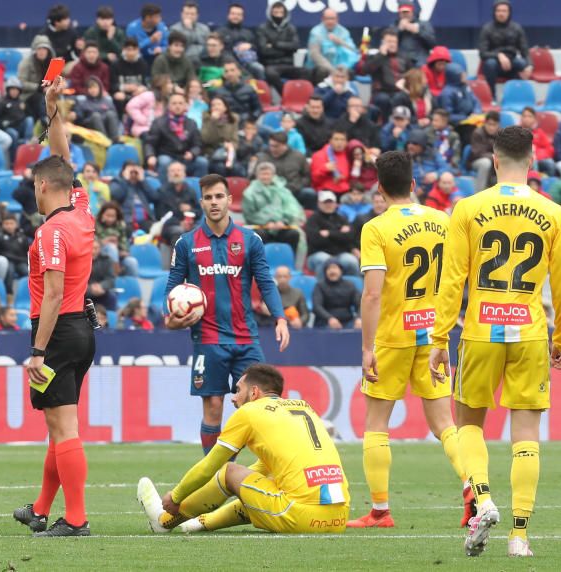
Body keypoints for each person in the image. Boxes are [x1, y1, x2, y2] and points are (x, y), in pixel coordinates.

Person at [429, 126, 561, 558]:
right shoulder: (554, 213)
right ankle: (520, 537)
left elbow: (452, 278)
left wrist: (439, 337)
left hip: (480, 329)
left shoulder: (468, 208)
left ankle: (484, 498)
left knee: (470, 424)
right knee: (526, 433)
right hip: (530, 330)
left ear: (494, 160)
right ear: (532, 161)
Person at [350, 150, 466, 529]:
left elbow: (372, 294)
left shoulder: (376, 228)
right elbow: (454, 279)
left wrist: (367, 349)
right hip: (433, 334)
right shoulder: (442, 220)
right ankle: (474, 489)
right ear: (415, 185)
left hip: (393, 337)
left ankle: (380, 511)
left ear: (380, 189)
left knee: (376, 423)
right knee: (445, 424)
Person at [12, 76, 96, 538]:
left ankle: (77, 519)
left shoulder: (50, 233)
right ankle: (42, 508)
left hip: (59, 330)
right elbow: (64, 158)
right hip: (82, 327)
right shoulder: (82, 211)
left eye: (34, 184)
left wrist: (38, 351)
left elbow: (53, 291)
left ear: (42, 186)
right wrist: (52, 107)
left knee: (64, 427)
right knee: (57, 423)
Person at [136, 364, 348, 535]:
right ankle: (199, 523)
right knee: (262, 487)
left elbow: (211, 464)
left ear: (254, 392)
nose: (234, 397)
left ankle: (163, 521)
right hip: (338, 517)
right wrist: (239, 484)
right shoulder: (304, 407)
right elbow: (263, 468)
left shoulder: (250, 411)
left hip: (299, 515)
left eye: (238, 390)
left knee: (229, 471)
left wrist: (176, 497)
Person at [164, 172, 289, 456]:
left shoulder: (250, 240)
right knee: (214, 407)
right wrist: (168, 316)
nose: (214, 202)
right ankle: (215, 476)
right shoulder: (186, 243)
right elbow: (172, 287)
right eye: (208, 198)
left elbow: (266, 282)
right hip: (208, 339)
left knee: (261, 408)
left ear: (230, 200)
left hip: (246, 337)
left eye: (219, 196)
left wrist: (280, 317)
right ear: (201, 203)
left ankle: (267, 470)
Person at [242, 162, 305, 256]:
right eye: (263, 174)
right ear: (257, 175)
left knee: (293, 234)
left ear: (273, 175)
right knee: (259, 235)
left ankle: (289, 264)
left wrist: (284, 221)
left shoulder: (283, 190)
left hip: (281, 226)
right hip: (259, 226)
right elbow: (249, 215)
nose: (265, 177)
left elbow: (291, 208)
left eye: (268, 174)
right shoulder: (249, 193)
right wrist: (267, 222)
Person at [145, 92, 206, 177]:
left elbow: (198, 144)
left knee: (202, 162)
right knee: (164, 161)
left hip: (185, 159)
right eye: (174, 103)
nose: (177, 106)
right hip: (167, 157)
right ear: (169, 106)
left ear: (186, 106)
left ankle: (197, 188)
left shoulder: (192, 123)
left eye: (180, 103)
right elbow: (150, 143)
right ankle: (164, 189)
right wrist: (150, 156)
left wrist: (192, 153)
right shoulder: (158, 122)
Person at [478, 0, 532, 93]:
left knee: (522, 64)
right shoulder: (486, 29)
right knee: (490, 64)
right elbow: (483, 53)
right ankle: (492, 97)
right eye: (498, 11)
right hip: (493, 64)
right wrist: (499, 55)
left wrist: (530, 65)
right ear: (494, 12)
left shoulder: (517, 28)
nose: (501, 13)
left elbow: (525, 51)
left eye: (504, 11)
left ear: (509, 13)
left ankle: (517, 95)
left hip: (511, 63)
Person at [358, 28, 412, 121]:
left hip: (400, 91)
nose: (392, 44)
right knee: (383, 99)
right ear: (382, 42)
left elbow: (412, 74)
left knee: (400, 97)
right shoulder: (374, 56)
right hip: (381, 92)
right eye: (389, 41)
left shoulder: (404, 57)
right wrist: (381, 55)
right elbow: (365, 70)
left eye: (394, 42)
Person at [305, 191, 359, 276]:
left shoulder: (341, 218)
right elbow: (316, 240)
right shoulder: (313, 219)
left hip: (340, 254)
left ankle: (352, 287)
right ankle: (322, 287)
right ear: (319, 203)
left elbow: (349, 237)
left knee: (351, 261)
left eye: (331, 202)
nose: (328, 205)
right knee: (325, 260)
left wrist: (329, 233)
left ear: (335, 204)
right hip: (317, 254)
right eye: (325, 202)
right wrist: (339, 233)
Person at [257, 1, 303, 94]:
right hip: (271, 65)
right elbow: (264, 51)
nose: (278, 15)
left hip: (288, 64)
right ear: (270, 14)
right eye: (275, 13)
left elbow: (295, 46)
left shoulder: (291, 28)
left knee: (307, 73)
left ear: (285, 14)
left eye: (281, 13)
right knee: (271, 74)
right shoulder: (262, 28)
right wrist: (286, 49)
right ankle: (286, 95)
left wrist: (275, 44)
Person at [259, 132, 312, 208]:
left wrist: (297, 186)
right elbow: (253, 177)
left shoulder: (298, 156)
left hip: (294, 191)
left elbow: (307, 176)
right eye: (271, 146)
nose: (272, 149)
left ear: (285, 145)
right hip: (269, 192)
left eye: (276, 146)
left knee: (309, 193)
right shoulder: (263, 157)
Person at [307, 8, 359, 83]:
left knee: (349, 72)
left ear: (337, 19)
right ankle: (320, 93)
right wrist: (332, 70)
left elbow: (353, 51)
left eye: (332, 18)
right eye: (327, 18)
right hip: (322, 67)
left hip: (340, 66)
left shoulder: (343, 32)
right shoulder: (315, 33)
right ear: (322, 19)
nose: (330, 21)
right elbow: (315, 55)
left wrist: (340, 42)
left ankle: (347, 93)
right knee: (322, 71)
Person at [216, 3, 263, 80]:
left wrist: (250, 46)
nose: (236, 16)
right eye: (233, 14)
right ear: (228, 15)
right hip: (228, 64)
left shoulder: (248, 33)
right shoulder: (220, 32)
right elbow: (218, 51)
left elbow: (259, 48)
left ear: (242, 17)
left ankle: (260, 90)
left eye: (239, 14)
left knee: (259, 68)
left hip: (248, 62)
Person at [72, 78, 120, 143]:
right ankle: (105, 141)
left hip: (107, 125)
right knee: (96, 116)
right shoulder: (83, 102)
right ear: (87, 90)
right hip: (91, 126)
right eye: (90, 88)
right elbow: (80, 119)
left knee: (110, 114)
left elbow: (115, 116)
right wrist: (75, 115)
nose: (93, 90)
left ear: (100, 89)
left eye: (95, 88)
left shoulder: (107, 100)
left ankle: (115, 140)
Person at [408, 129, 451, 196]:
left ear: (422, 145)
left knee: (447, 176)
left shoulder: (433, 153)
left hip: (436, 189)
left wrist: (436, 175)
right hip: (416, 192)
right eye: (409, 143)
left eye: (415, 143)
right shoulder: (406, 157)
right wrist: (416, 188)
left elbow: (446, 167)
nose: (410, 146)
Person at [394, 1, 436, 67]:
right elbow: (388, 44)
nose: (405, 14)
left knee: (423, 67)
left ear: (412, 12)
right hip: (401, 60)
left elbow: (432, 44)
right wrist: (399, 30)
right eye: (402, 12)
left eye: (407, 12)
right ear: (399, 13)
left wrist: (418, 32)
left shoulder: (424, 24)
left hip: (420, 60)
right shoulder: (394, 26)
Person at [311, 129, 351, 196]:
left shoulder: (348, 155)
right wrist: (325, 169)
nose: (339, 142)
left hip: (346, 191)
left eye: (342, 140)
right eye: (336, 139)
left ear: (346, 142)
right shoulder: (319, 155)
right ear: (330, 141)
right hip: (326, 192)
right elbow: (314, 180)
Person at [470, 111, 502, 192]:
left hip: (495, 162)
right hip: (476, 161)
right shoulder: (477, 133)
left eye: (494, 125)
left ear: (498, 125)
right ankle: (479, 194)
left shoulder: (501, 134)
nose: (491, 127)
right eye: (489, 124)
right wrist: (494, 157)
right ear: (485, 123)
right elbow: (477, 153)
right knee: (485, 163)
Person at [520, 107, 556, 176]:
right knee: (533, 162)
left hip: (539, 159)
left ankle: (547, 184)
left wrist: (538, 155)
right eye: (524, 116)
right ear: (521, 118)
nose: (527, 119)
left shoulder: (539, 133)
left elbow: (549, 148)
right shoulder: (516, 132)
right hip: (522, 160)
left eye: (530, 116)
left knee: (550, 163)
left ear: (534, 119)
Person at [0, 214, 30, 283]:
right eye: (6, 224)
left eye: (11, 223)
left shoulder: (22, 236)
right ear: (2, 225)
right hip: (8, 261)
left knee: (27, 272)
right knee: (10, 271)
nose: (9, 226)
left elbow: (28, 251)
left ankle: (30, 291)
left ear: (16, 224)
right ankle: (9, 292)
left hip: (20, 261)